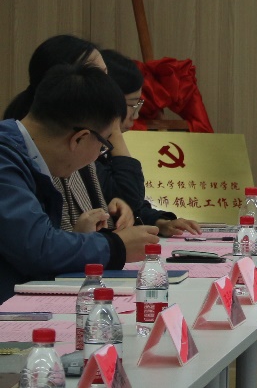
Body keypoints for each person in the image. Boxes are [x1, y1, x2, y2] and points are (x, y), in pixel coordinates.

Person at [0, 64, 159, 301]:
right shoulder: (5, 159)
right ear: (80, 138)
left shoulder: (21, 153)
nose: (98, 155)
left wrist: (80, 239)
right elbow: (37, 248)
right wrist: (116, 246)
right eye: (103, 145)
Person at [5, 35, 134, 233]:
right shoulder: (10, 158)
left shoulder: (44, 147)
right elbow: (37, 245)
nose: (106, 84)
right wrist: (111, 245)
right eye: (96, 75)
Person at [98, 49, 201, 236]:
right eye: (132, 105)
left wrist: (160, 222)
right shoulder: (84, 150)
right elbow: (126, 198)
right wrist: (115, 132)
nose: (136, 116)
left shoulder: (103, 146)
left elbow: (133, 207)